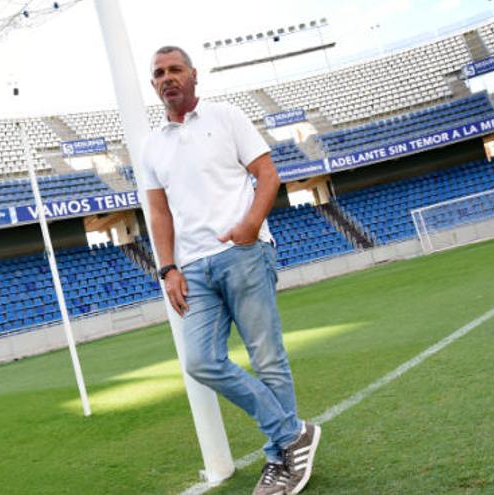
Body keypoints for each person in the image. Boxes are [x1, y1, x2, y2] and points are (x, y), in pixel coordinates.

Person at [139, 45, 321, 495]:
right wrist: (167, 268)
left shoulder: (227, 117)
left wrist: (249, 227)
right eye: (159, 73)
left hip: (243, 252)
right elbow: (158, 214)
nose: (167, 78)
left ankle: (281, 461)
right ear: (154, 84)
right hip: (193, 269)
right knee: (201, 360)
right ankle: (292, 433)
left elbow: (268, 174)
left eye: (175, 69)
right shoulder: (151, 145)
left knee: (267, 358)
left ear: (194, 75)